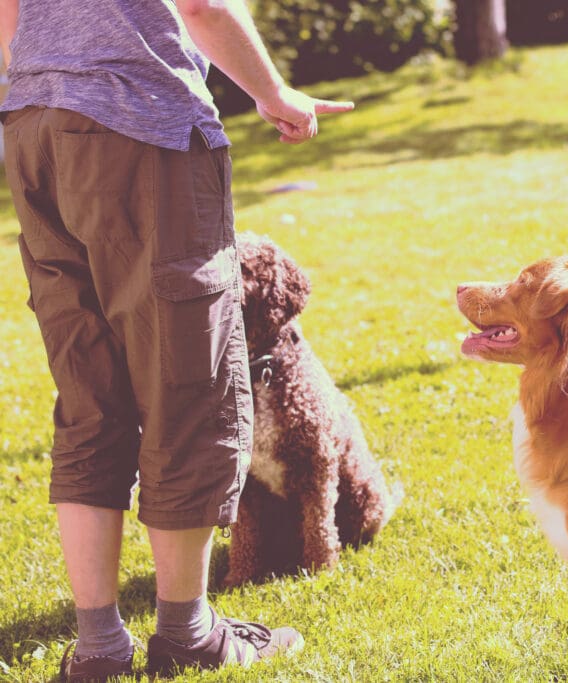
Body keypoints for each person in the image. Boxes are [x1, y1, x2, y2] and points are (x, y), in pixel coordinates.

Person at [0, 1, 354, 680]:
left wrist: (49, 78)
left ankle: (100, 647)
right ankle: (189, 634)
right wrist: (274, 93)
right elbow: (201, 6)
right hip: (137, 129)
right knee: (188, 382)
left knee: (88, 393)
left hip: (34, 125)